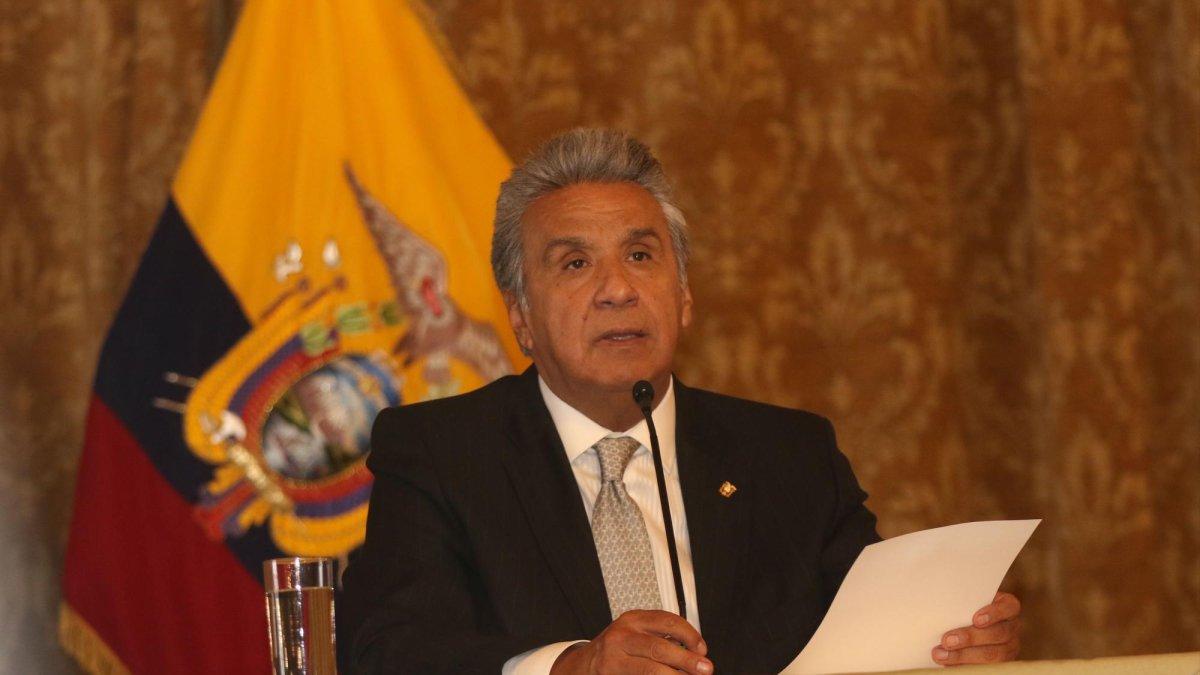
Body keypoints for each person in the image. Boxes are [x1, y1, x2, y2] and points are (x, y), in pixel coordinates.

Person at [341, 128, 1022, 674]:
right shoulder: (443, 454)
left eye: (641, 256)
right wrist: (570, 667)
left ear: (685, 294)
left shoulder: (788, 457)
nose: (618, 289)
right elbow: (387, 650)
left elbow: (877, 628)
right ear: (520, 315)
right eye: (575, 263)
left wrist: (953, 642)